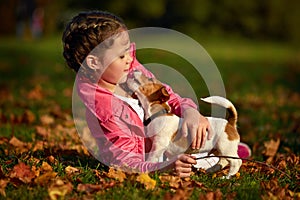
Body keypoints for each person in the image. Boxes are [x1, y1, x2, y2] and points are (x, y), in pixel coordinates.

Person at [62, 10, 251, 177]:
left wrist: (189, 110)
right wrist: (163, 168)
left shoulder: (129, 72)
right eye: (121, 56)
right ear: (94, 63)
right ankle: (217, 155)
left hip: (169, 145)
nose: (130, 60)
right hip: (151, 161)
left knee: (199, 140)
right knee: (196, 163)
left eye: (129, 51)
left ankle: (218, 150)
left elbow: (167, 95)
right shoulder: (104, 112)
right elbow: (124, 161)